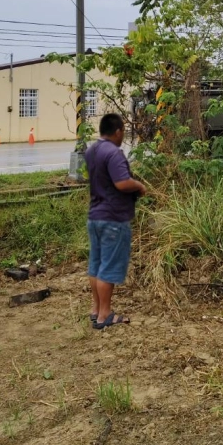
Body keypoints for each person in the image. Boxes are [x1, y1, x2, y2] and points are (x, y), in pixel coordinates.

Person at [84, 113, 146, 329]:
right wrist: (139, 186)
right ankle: (105, 316)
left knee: (96, 264)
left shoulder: (92, 151)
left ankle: (95, 309)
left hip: (95, 216)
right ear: (118, 131)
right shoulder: (114, 153)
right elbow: (121, 183)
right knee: (108, 267)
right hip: (113, 218)